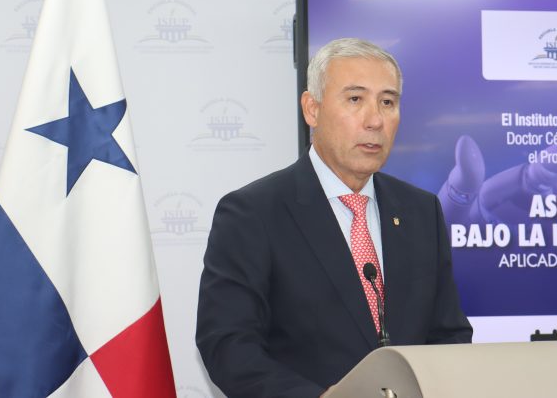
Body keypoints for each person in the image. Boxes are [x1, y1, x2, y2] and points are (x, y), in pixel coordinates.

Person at [196, 38, 473, 398]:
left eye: (387, 102)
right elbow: (228, 346)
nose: (375, 120)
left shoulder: (420, 211)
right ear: (312, 109)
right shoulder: (253, 213)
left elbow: (449, 334)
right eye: (355, 99)